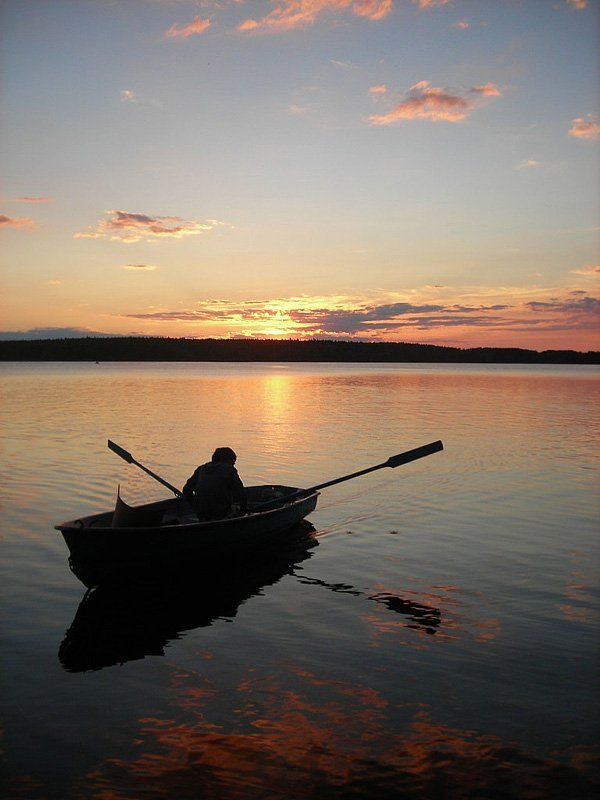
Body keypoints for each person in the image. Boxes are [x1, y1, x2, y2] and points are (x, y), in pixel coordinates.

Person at [183, 447, 247, 521]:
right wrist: (243, 512)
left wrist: (195, 506)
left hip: (200, 513)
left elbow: (186, 490)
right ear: (227, 459)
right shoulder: (229, 470)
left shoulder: (201, 469)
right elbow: (241, 494)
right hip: (220, 513)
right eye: (233, 461)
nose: (233, 464)